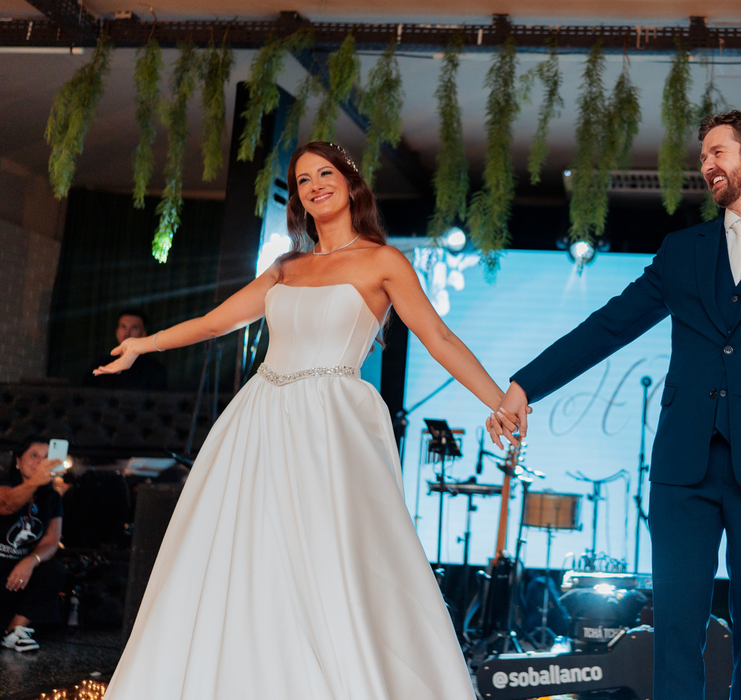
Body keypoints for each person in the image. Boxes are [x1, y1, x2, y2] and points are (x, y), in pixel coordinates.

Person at [97, 141, 522, 699]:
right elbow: (212, 322)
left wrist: (499, 399)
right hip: (262, 417)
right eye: (301, 180)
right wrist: (142, 345)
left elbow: (438, 337)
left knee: (332, 551)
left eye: (325, 173)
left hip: (332, 422)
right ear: (297, 197)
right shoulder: (286, 267)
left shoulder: (384, 261)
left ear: (350, 184)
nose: (314, 184)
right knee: (248, 551)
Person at [490, 111, 741, 700]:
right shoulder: (682, 250)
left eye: (718, 153)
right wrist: (525, 384)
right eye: (703, 157)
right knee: (677, 630)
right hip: (683, 469)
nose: (706, 165)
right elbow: (610, 325)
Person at [0, 436, 68, 653]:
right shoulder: (5, 484)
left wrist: (31, 561)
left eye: (47, 457)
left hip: (17, 574)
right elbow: (8, 505)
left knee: (55, 570)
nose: (41, 462)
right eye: (34, 456)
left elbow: (51, 541)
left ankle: (14, 630)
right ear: (18, 461)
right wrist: (34, 482)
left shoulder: (51, 498)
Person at [83, 310, 168, 390]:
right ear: (117, 332)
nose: (127, 333)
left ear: (143, 334)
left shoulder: (154, 368)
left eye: (134, 328)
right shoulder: (101, 362)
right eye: (123, 327)